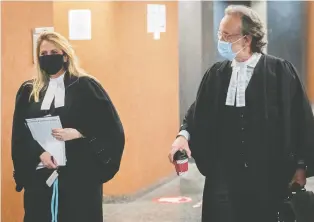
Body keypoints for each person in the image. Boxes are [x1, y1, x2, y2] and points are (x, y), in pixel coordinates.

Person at [169, 5, 314, 222]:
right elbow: (197, 113)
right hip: (223, 177)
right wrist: (183, 137)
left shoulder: (281, 72)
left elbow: (301, 122)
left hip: (268, 176)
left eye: (227, 35)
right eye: (220, 34)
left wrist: (300, 167)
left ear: (247, 39)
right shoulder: (216, 74)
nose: (221, 40)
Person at [11, 31, 125, 222]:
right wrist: (39, 152)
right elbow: (20, 134)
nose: (48, 57)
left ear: (65, 55)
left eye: (53, 52)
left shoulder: (86, 87)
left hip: (79, 178)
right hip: (40, 179)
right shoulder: (29, 91)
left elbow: (110, 127)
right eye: (43, 54)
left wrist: (80, 133)